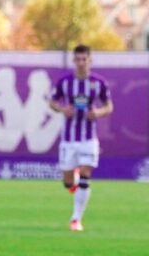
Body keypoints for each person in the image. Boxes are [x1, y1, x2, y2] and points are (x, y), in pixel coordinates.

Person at [49, 44, 113, 232]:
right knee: (68, 182)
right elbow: (52, 102)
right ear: (73, 61)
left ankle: (76, 219)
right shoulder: (64, 82)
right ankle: (73, 179)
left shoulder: (98, 83)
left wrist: (98, 113)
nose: (81, 63)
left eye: (84, 59)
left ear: (90, 60)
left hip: (88, 139)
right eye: (77, 59)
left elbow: (109, 106)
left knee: (86, 173)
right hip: (68, 139)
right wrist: (62, 109)